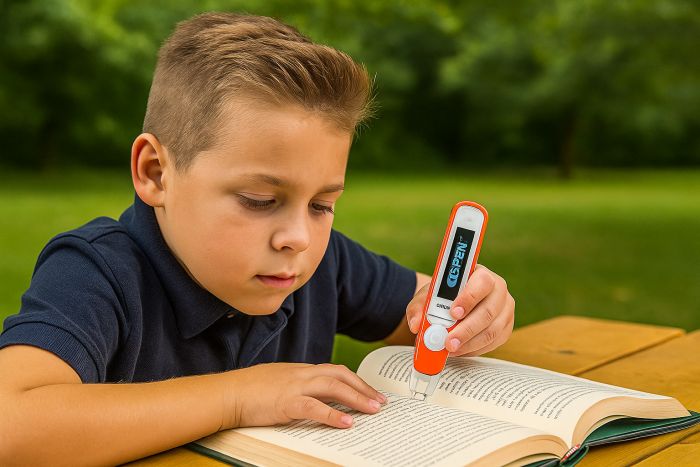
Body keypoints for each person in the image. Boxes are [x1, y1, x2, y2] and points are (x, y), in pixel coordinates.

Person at [0, 12, 515, 464]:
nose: (297, 238)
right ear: (156, 172)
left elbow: (424, 317)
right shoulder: (97, 272)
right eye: (260, 201)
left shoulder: (322, 261)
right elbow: (12, 424)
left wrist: (475, 314)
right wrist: (237, 397)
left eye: (322, 205)